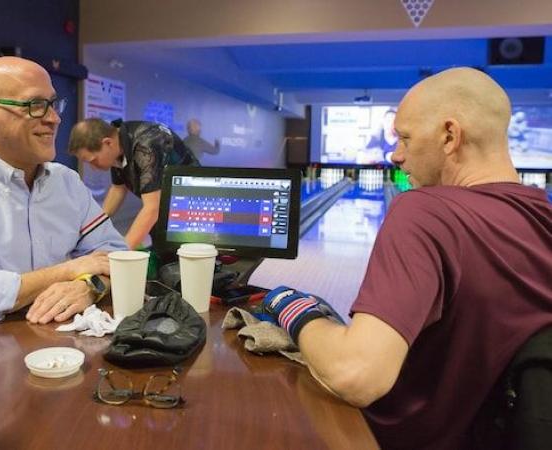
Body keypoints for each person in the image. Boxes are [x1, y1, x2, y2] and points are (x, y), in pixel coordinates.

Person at [262, 67, 552, 449]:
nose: (395, 155)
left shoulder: (423, 211)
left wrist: (292, 307)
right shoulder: (542, 216)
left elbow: (357, 374)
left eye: (405, 138)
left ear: (450, 136)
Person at [0, 57, 128, 325]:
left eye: (53, 104)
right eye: (35, 106)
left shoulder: (67, 182)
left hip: (57, 349)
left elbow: (116, 257)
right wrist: (69, 270)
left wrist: (89, 285)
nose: (54, 118)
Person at [68, 118, 199, 249]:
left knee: (180, 257)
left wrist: (122, 253)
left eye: (93, 160)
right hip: (166, 209)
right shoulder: (118, 145)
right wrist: (91, 227)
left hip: (191, 206)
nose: (93, 167)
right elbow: (118, 189)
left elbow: (152, 208)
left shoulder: (146, 145)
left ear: (107, 143)